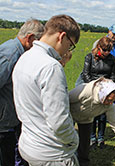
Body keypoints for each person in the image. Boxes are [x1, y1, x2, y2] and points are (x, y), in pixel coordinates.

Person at [12, 14, 80, 166]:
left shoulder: (25, 57)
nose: (67, 51)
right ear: (62, 36)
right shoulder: (51, 66)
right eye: (70, 45)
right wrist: (74, 139)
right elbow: (59, 121)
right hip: (52, 153)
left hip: (29, 144)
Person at [0, 19, 44, 166]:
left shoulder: (19, 52)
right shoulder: (10, 55)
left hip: (11, 119)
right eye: (38, 42)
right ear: (30, 38)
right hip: (3, 124)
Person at [69, 77, 115, 166]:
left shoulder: (109, 106)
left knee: (84, 145)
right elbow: (66, 99)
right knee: (68, 140)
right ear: (104, 93)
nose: (110, 103)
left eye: (113, 101)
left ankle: (83, 162)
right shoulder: (86, 90)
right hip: (70, 115)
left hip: (86, 119)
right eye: (109, 100)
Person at [75, 36, 115, 148]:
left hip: (105, 89)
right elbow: (86, 74)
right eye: (104, 50)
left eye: (109, 50)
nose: (106, 53)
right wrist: (95, 87)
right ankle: (92, 138)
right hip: (92, 89)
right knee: (92, 114)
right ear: (99, 47)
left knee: (103, 116)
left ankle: (101, 138)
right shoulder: (90, 57)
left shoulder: (112, 59)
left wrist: (107, 86)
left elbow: (113, 75)